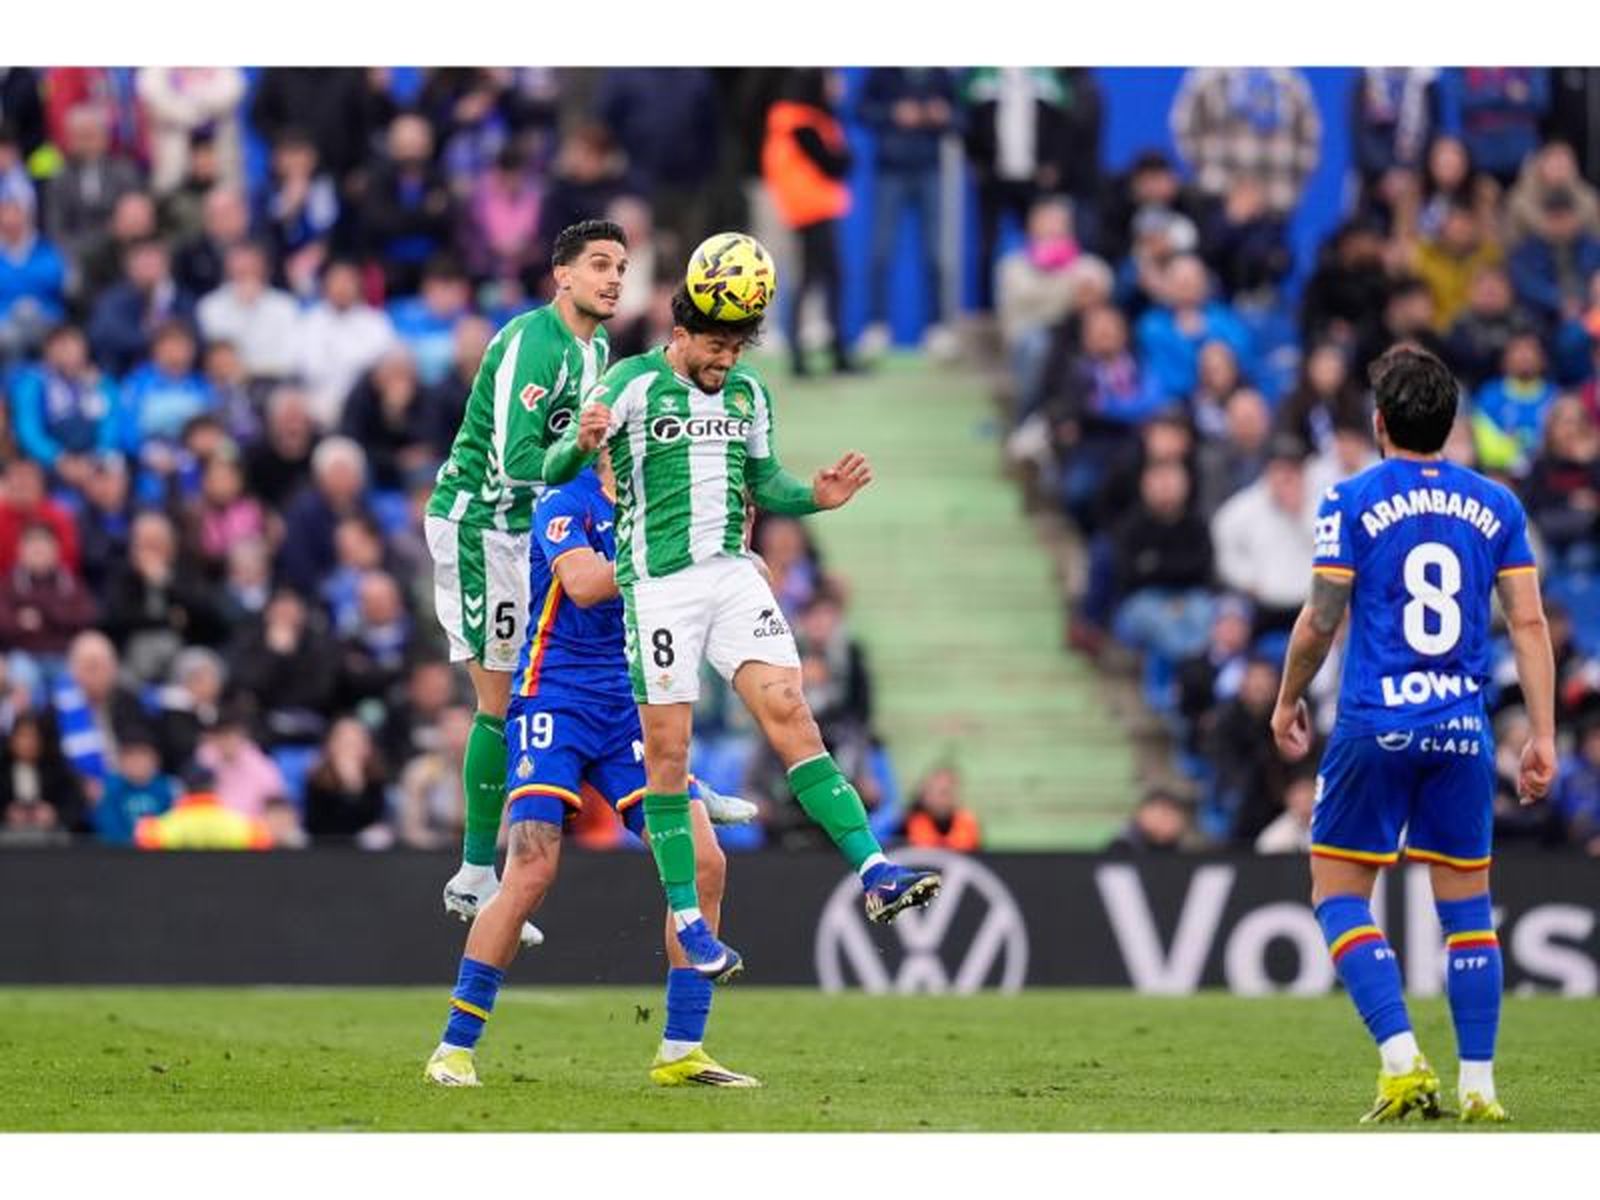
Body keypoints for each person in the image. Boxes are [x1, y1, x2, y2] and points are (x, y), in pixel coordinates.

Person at [544, 280, 942, 947]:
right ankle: (691, 921)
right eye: (716, 346)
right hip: (660, 582)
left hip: (733, 573)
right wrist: (580, 445)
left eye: (736, 348)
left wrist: (813, 497)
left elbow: (766, 482)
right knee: (667, 755)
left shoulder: (749, 393)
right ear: (682, 333)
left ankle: (875, 872)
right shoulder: (630, 384)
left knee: (791, 709)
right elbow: (560, 468)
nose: (726, 360)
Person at [1270, 343, 1556, 1124]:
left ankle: (1401, 1059)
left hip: (1375, 724)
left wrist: (1288, 696)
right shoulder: (1498, 505)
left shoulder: (1350, 499)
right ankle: (1480, 1088)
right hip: (1463, 730)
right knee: (1468, 911)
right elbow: (1527, 623)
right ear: (1452, 424)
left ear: (1379, 422)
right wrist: (1542, 735)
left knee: (1336, 893)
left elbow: (1322, 618)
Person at [425, 449, 759, 1090]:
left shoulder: (658, 501)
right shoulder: (564, 498)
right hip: (555, 696)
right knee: (531, 869)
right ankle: (454, 1047)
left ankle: (682, 1051)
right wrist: (676, 556)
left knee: (706, 860)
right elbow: (582, 584)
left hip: (631, 703)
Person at [423, 219, 626, 944]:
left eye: (621, 267)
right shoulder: (532, 342)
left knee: (533, 688)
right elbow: (513, 460)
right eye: (598, 264)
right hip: (479, 524)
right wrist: (581, 444)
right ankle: (476, 873)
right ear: (561, 275)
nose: (613, 278)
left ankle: (488, 872)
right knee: (499, 698)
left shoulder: (596, 346)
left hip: (524, 531)